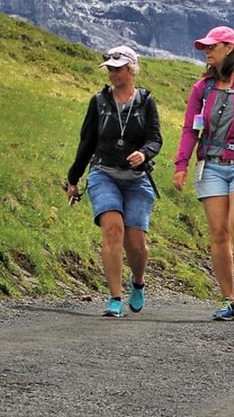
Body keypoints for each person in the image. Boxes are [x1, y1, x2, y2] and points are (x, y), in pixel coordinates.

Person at [172, 25, 234, 320]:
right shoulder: (200, 88)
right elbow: (191, 129)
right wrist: (181, 165)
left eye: (211, 48)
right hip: (211, 166)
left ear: (229, 48)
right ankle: (227, 298)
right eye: (204, 49)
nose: (207, 53)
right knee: (218, 233)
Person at [65, 45, 163, 317]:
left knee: (136, 244)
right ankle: (115, 298)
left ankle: (138, 282)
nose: (112, 73)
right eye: (109, 68)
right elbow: (87, 142)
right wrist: (73, 179)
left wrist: (143, 154)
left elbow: (156, 139)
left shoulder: (146, 101)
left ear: (131, 70)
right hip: (103, 173)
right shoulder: (99, 101)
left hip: (137, 179)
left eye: (117, 68)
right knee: (112, 230)